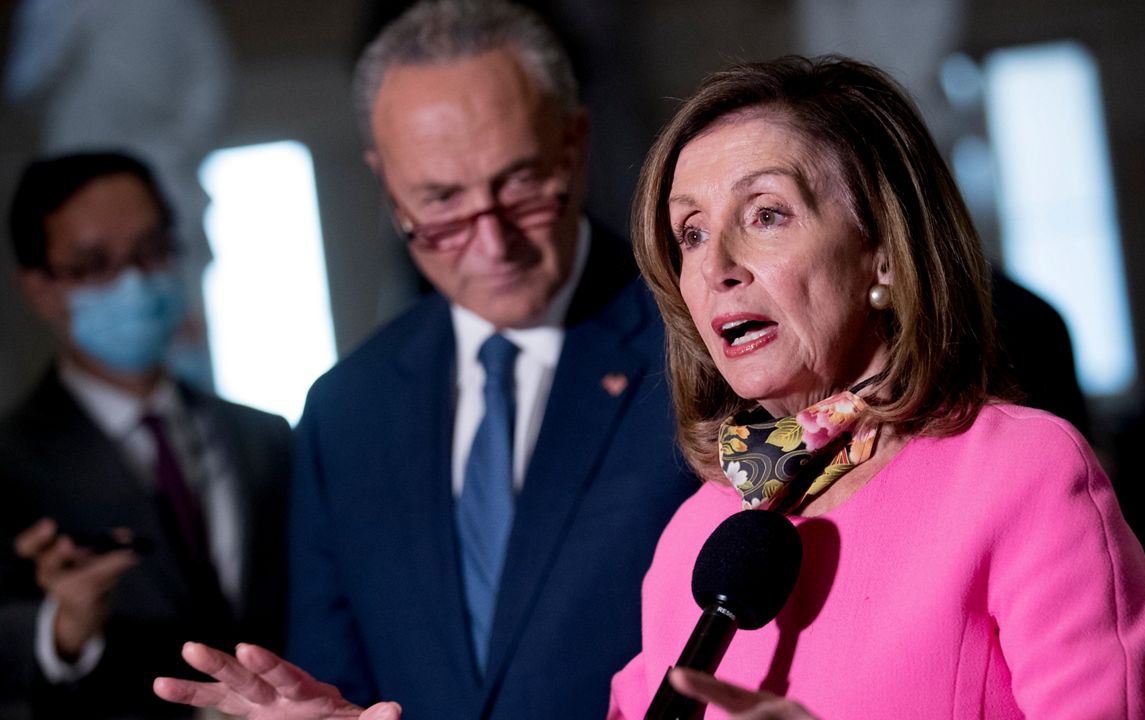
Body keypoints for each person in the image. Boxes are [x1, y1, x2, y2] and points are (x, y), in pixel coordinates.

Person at [155, 1, 696, 719]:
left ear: (574, 143)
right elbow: (334, 672)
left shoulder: (696, 347)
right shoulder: (348, 409)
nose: (493, 244)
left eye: (520, 185)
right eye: (440, 202)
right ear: (387, 186)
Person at [605, 56, 1145, 718]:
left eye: (766, 214)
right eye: (692, 232)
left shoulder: (1023, 474)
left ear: (881, 249)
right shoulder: (695, 534)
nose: (716, 267)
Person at [0, 151, 291, 719]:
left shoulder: (267, 439)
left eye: (150, 251)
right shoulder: (8, 464)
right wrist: (59, 631)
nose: (133, 281)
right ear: (40, 289)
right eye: (93, 265)